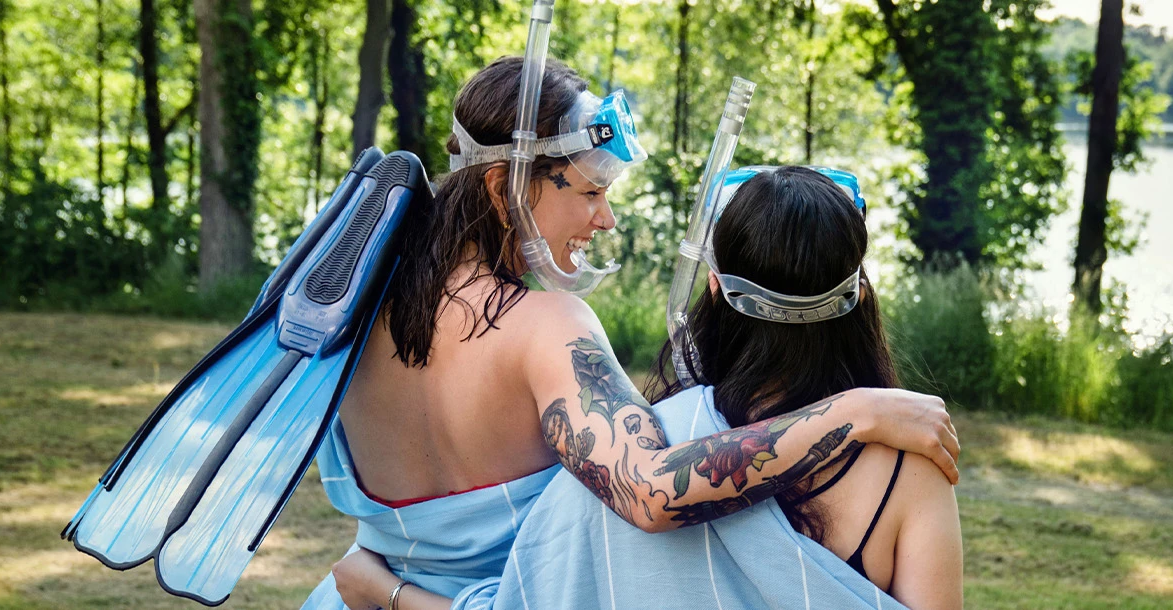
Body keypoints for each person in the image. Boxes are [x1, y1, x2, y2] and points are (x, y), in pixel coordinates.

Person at [299, 57, 961, 610]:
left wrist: (383, 589)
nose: (606, 219)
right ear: (503, 187)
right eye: (590, 193)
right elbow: (649, 490)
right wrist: (853, 412)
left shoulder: (355, 300)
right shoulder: (546, 328)